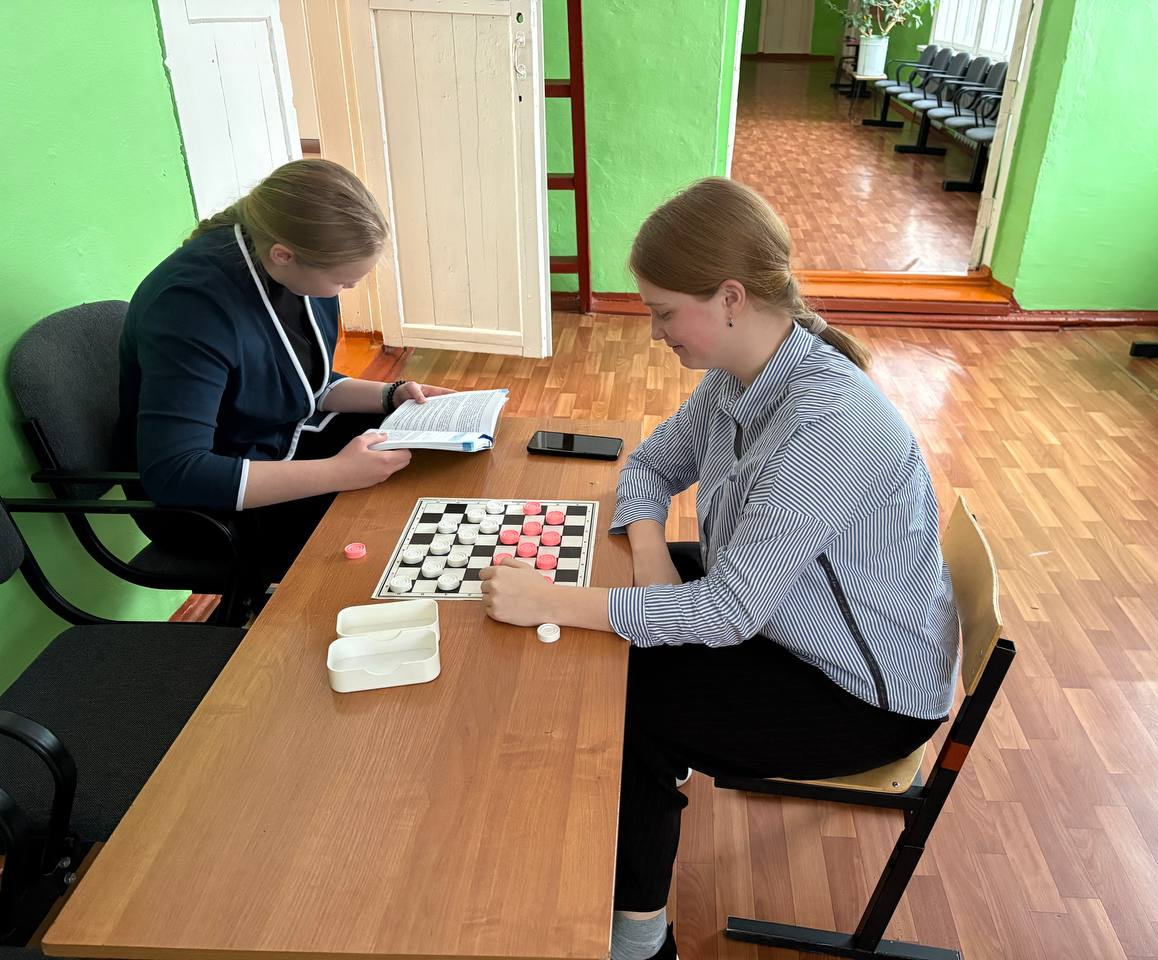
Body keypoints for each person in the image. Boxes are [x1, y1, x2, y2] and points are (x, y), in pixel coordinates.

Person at [479, 178, 959, 960]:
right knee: (621, 618)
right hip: (789, 612)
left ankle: (640, 940)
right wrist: (649, 557)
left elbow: (729, 613)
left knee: (635, 706)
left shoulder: (827, 422)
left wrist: (556, 602)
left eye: (665, 312)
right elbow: (647, 468)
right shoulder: (742, 374)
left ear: (731, 298)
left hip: (864, 695)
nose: (655, 332)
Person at [114, 158, 452, 593]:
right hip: (204, 508)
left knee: (419, 455)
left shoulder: (282, 267)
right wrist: (339, 473)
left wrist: (391, 395)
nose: (348, 290)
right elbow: (177, 474)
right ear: (284, 255)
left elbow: (301, 383)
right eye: (343, 282)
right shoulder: (190, 308)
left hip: (268, 440)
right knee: (384, 529)